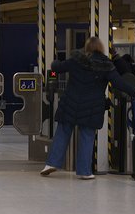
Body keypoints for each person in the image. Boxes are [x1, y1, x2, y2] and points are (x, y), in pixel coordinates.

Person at [40, 36, 128, 180]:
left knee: (62, 133)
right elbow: (118, 83)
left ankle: (51, 164)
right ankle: (84, 171)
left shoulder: (76, 61)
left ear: (87, 48)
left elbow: (57, 68)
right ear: (101, 48)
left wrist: (55, 62)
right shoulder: (106, 65)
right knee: (87, 137)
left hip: (70, 103)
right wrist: (133, 91)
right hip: (92, 108)